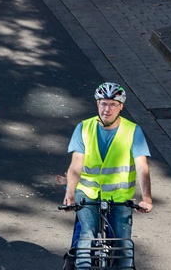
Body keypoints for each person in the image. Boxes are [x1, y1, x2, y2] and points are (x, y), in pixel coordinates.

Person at [64, 82, 153, 269]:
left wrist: (146, 198)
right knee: (87, 235)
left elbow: (142, 167)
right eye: (103, 103)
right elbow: (76, 165)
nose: (107, 109)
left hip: (119, 197)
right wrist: (70, 194)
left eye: (113, 104)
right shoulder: (84, 128)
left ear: (121, 107)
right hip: (87, 193)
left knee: (123, 244)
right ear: (97, 104)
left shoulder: (132, 131)